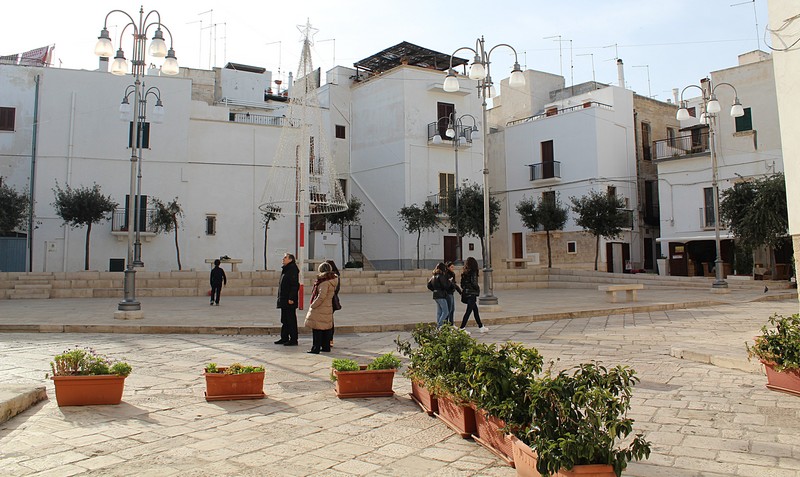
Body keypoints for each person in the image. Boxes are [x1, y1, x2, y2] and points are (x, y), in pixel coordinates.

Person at [304, 262, 338, 354]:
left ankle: (316, 348)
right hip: (328, 306)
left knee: (317, 328)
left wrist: (313, 305)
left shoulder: (324, 282)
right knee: (326, 328)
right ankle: (326, 346)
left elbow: (321, 296)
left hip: (320, 307)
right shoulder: (332, 280)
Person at [275, 253, 300, 346]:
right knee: (284, 319)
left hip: (289, 300)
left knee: (291, 320)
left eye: (285, 257)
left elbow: (295, 285)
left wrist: (291, 298)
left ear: (290, 260)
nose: (283, 259)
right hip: (284, 299)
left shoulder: (292, 269)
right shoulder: (286, 269)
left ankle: (293, 339)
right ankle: (284, 337)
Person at [459, 256, 488, 333]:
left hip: (466, 293)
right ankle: (462, 327)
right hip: (471, 294)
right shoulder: (473, 272)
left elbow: (462, 284)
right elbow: (474, 283)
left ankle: (481, 326)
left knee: (475, 310)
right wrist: (477, 289)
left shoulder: (464, 273)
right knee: (468, 311)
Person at [429, 262, 453, 327]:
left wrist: (434, 290)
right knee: (446, 311)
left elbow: (429, 285)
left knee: (439, 312)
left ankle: (439, 326)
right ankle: (439, 325)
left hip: (436, 295)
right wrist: (449, 282)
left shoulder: (433, 276)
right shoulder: (440, 276)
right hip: (441, 295)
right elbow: (445, 286)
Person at [325, 259, 341, 348]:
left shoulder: (332, 277)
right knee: (329, 320)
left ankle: (329, 339)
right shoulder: (335, 276)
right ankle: (329, 339)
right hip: (331, 300)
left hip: (330, 300)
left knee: (329, 321)